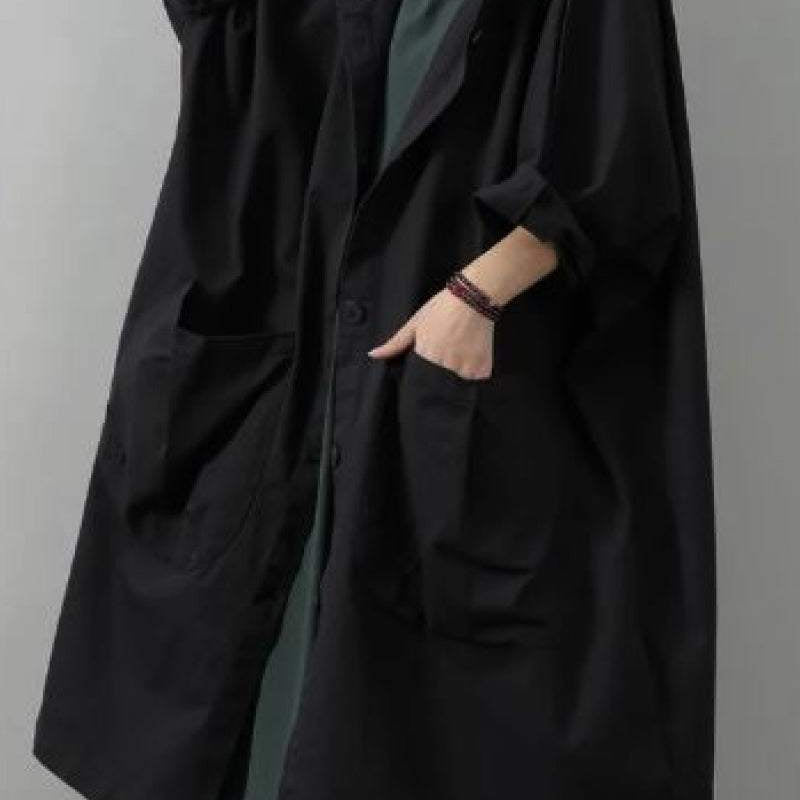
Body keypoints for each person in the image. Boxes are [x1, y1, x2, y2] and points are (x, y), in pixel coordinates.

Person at [33, 1, 717, 799]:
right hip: (294, 398)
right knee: (261, 708)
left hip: (459, 398)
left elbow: (622, 164)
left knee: (409, 731)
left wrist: (475, 297)